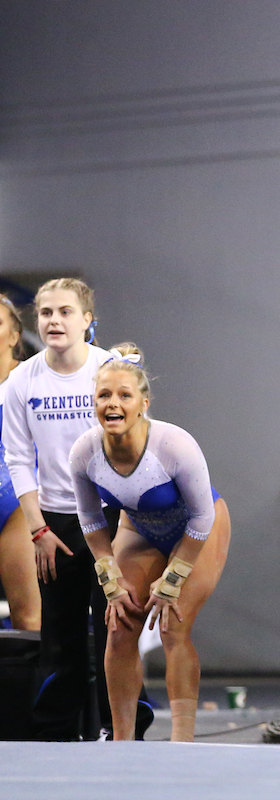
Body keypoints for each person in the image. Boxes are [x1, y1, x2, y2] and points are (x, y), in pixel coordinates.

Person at [3, 278, 150, 740]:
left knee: (116, 626)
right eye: (46, 313)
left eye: (65, 312)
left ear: (87, 320)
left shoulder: (109, 370)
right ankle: (55, 732)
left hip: (112, 517)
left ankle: (120, 725)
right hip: (56, 524)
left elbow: (138, 446)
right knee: (61, 636)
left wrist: (129, 523)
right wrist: (37, 531)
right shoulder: (22, 380)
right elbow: (19, 459)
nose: (54, 321)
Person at [70, 344, 229, 741]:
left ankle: (182, 739)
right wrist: (109, 577)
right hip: (139, 530)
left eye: (124, 395)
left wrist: (173, 579)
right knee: (120, 624)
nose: (113, 403)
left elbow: (202, 517)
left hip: (198, 529)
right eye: (104, 395)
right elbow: (90, 520)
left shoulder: (173, 445)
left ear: (143, 402)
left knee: (174, 624)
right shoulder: (84, 452)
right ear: (94, 401)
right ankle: (122, 739)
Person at [0, 294, 38, 631]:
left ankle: (44, 685)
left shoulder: (33, 380)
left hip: (18, 502)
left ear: (14, 336)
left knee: (28, 616)